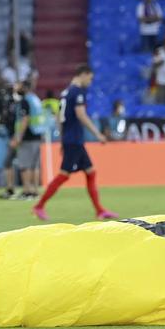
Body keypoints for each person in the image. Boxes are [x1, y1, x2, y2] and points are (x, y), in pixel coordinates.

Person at [32, 65, 116, 222]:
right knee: (64, 175)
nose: (90, 83)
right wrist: (98, 134)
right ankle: (39, 206)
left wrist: (63, 140)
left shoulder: (65, 92)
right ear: (83, 75)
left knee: (91, 172)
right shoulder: (77, 92)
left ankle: (100, 210)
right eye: (90, 79)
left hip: (71, 140)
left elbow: (59, 119)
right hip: (74, 141)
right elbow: (81, 115)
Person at [10, 81, 44, 198]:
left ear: (24, 87)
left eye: (18, 86)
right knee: (35, 166)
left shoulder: (25, 101)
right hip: (37, 134)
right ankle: (35, 190)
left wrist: (18, 137)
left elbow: (25, 119)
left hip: (28, 136)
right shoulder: (35, 99)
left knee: (25, 165)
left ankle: (27, 190)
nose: (16, 88)